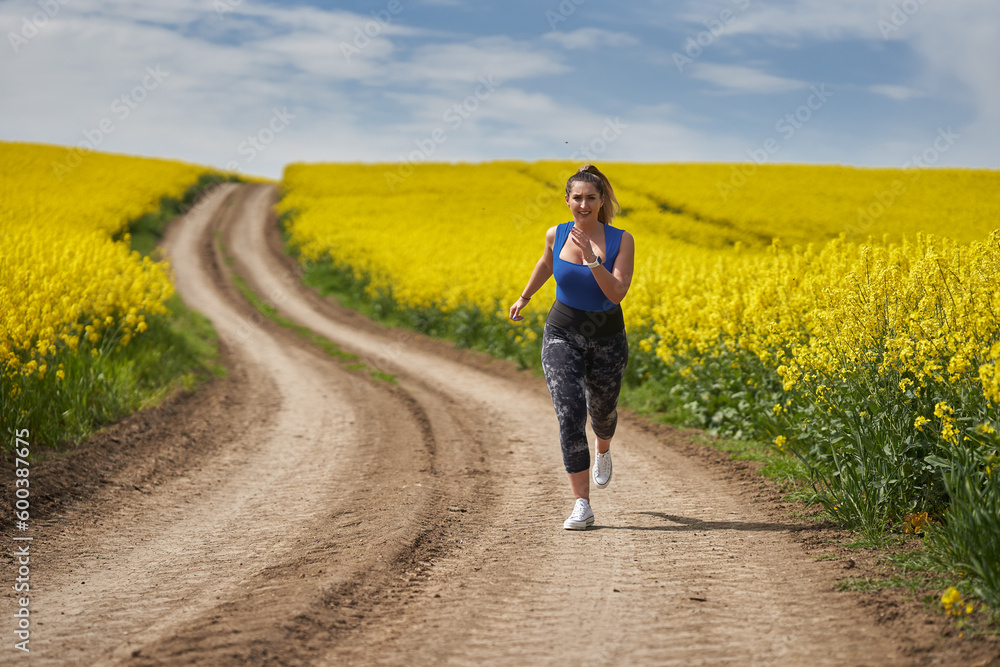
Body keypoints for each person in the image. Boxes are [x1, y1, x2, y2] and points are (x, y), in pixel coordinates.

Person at [509, 164, 634, 530]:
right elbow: (547, 263)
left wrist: (594, 260)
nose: (583, 204)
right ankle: (582, 504)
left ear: (601, 201)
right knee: (569, 414)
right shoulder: (555, 233)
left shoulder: (621, 240)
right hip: (562, 331)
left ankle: (604, 448)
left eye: (590, 198)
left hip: (607, 336)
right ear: (567, 200)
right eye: (576, 197)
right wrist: (525, 296)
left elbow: (616, 292)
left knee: (603, 411)